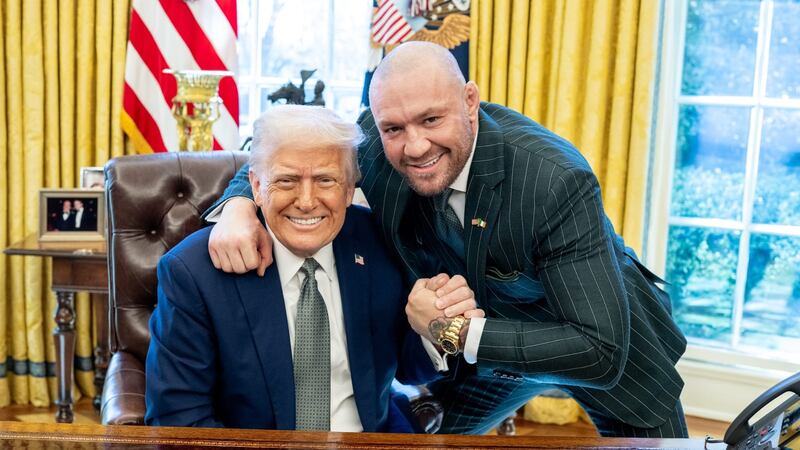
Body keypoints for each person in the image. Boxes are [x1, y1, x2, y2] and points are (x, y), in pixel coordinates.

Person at [203, 42, 688, 437]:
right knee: (428, 438)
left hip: (605, 343)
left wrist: (451, 331)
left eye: (432, 120)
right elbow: (294, 153)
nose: (414, 146)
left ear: (470, 103)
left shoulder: (553, 178)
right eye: (395, 127)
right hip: (488, 360)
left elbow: (600, 352)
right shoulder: (380, 134)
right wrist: (240, 205)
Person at [145, 105, 476, 431]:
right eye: (286, 180)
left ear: (349, 190)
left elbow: (405, 365)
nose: (306, 201)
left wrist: (439, 332)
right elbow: (180, 420)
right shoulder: (193, 272)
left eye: (325, 180)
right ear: (257, 186)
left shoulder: (381, 244)